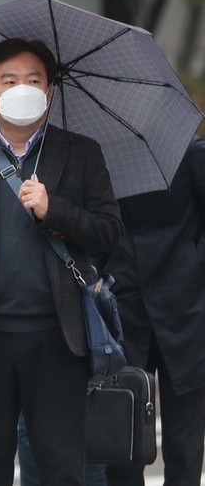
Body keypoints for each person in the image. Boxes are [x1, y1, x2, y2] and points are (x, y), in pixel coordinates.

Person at [0, 38, 123, 485]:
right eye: (9, 80)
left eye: (33, 80)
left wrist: (55, 210)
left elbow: (110, 232)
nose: (22, 89)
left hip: (58, 337)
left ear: (50, 91)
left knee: (62, 466)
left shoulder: (80, 151)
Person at [104, 137, 205, 486]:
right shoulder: (101, 154)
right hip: (123, 311)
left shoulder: (189, 151)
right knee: (122, 447)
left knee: (184, 446)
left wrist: (194, 267)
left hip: (186, 310)